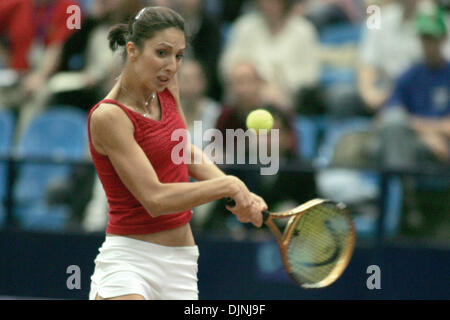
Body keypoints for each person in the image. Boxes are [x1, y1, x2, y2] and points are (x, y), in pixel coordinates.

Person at [87, 6, 266, 300]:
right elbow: (155, 200)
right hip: (129, 262)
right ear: (132, 50)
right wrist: (228, 184)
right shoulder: (109, 116)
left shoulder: (167, 87)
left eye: (179, 55)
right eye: (161, 53)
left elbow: (181, 151)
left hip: (181, 263)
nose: (171, 65)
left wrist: (238, 192)